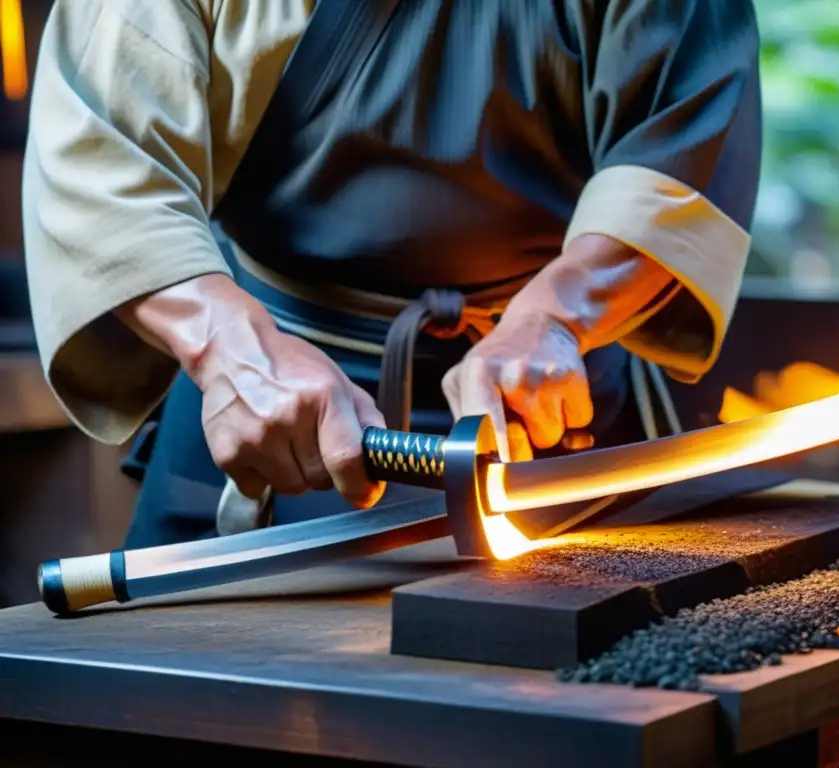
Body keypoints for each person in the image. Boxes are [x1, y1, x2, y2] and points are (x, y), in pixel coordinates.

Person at [23, 0, 762, 548]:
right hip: (269, 396)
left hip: (547, 410)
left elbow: (678, 149)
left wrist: (555, 321)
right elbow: (103, 161)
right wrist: (232, 351)